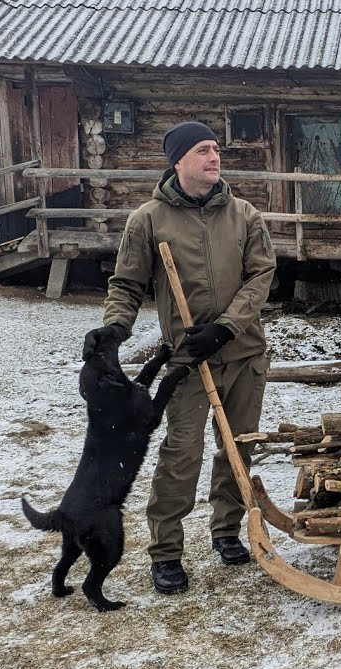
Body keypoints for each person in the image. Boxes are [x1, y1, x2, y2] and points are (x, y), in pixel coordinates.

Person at [83, 121, 276, 595]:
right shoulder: (147, 220)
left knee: (238, 447)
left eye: (216, 150)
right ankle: (166, 552)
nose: (215, 158)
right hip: (187, 360)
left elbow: (261, 277)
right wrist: (114, 330)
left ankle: (227, 530)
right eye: (204, 150)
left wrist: (227, 327)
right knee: (181, 454)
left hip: (244, 352)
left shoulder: (245, 214)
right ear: (178, 161)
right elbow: (126, 284)